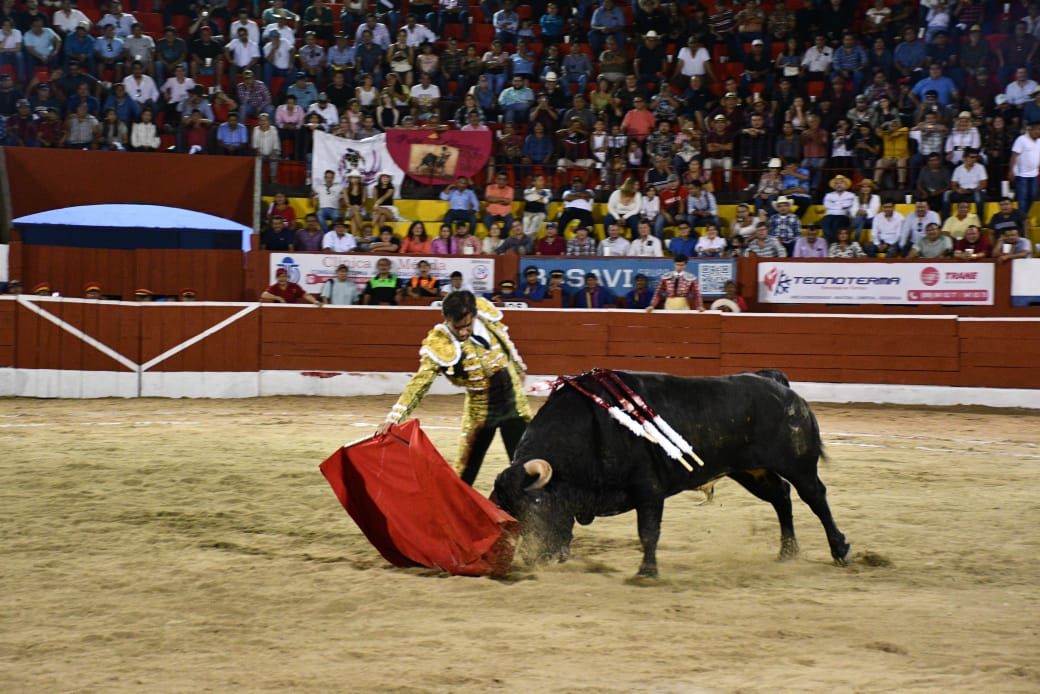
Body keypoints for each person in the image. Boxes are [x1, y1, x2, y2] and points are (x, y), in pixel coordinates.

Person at [375, 290, 531, 486]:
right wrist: (394, 418)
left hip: (513, 404)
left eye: (467, 325)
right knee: (464, 475)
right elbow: (419, 383)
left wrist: (518, 366)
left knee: (526, 465)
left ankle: (526, 513)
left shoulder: (485, 316)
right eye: (457, 328)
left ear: (474, 315)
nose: (463, 332)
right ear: (447, 319)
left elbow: (504, 338)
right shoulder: (440, 343)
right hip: (481, 412)